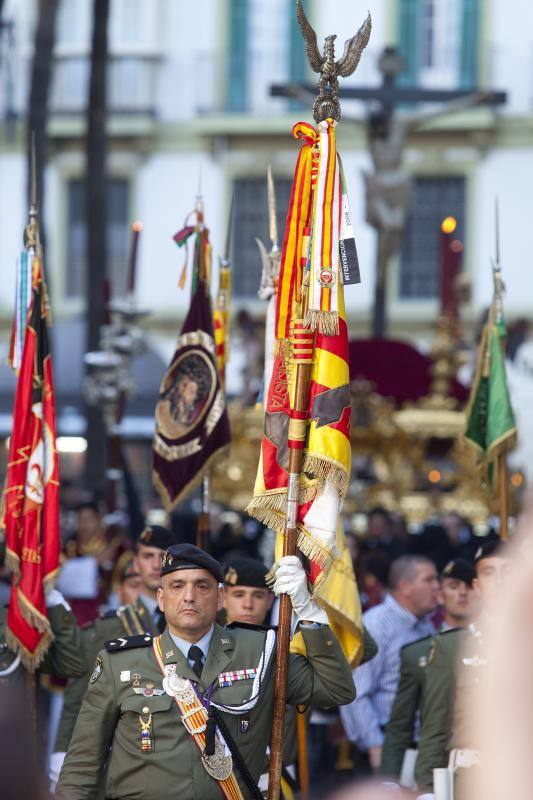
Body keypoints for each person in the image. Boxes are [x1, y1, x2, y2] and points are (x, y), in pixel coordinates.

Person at [56, 544, 356, 800]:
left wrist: (310, 614)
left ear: (221, 598)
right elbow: (83, 763)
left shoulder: (260, 651)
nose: (189, 597)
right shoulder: (119, 662)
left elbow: (336, 689)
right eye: (177, 586)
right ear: (161, 599)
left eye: (202, 586)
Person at [50, 525, 178, 788]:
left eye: (162, 556)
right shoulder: (108, 628)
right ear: (136, 562)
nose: (155, 564)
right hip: (124, 757)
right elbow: (79, 698)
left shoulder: (194, 619)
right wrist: (62, 752)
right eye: (147, 556)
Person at [415, 541, 512, 796]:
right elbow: (434, 729)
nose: (500, 581)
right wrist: (427, 790)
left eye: (509, 571)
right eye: (489, 572)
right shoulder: (453, 646)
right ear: (477, 586)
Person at [340, 556, 439, 773]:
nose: (437, 587)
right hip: (384, 748)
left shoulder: (426, 624)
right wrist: (375, 746)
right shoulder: (376, 625)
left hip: (417, 745)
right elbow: (354, 693)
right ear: (405, 587)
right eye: (429, 580)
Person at [380, 559, 476, 782]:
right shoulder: (419, 653)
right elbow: (400, 726)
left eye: (469, 586)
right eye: (454, 586)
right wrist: (388, 783)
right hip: (434, 768)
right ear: (440, 595)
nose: (463, 593)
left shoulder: (499, 651)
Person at [222, 556, 273, 626]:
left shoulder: (285, 637)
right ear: (223, 598)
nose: (248, 605)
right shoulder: (208, 637)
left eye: (258, 596)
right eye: (239, 595)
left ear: (269, 601)